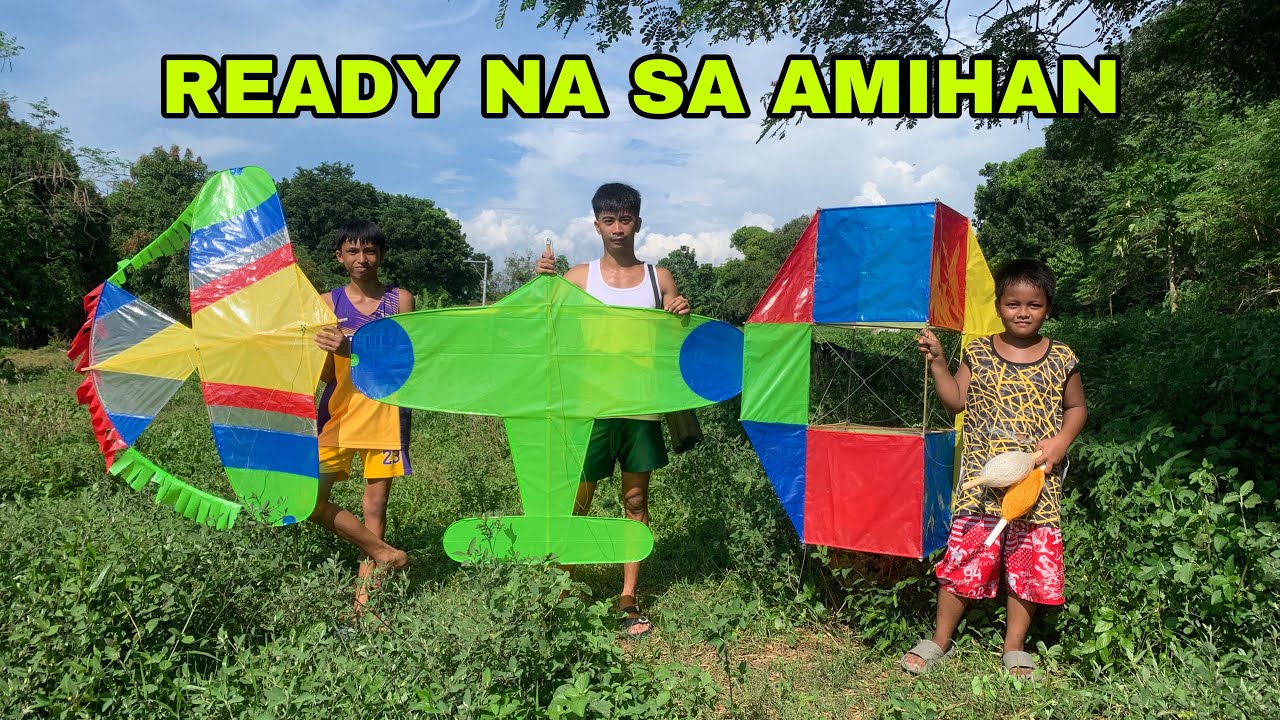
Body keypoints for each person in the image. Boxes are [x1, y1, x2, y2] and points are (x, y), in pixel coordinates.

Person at [902, 258, 1087, 678]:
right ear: (999, 305)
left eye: (1033, 304)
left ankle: (1014, 646)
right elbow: (956, 401)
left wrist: (1060, 441)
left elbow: (1076, 408)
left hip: (1035, 483)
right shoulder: (979, 351)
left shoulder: (1061, 357)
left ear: (1048, 308)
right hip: (982, 482)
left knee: (1027, 558)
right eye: (1013, 303)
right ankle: (939, 640)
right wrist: (937, 362)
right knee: (967, 552)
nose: (1022, 312)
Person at [536, 182, 690, 638]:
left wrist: (680, 312)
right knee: (576, 500)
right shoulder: (578, 278)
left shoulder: (658, 279)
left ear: (638, 223)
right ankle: (558, 587)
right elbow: (542, 324)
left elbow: (674, 344)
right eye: (609, 220)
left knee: (636, 501)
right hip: (589, 407)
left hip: (641, 406)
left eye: (626, 219)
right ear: (597, 224)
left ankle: (628, 598)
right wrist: (543, 283)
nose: (618, 229)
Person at [311, 219, 414, 616]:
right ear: (340, 257)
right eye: (353, 251)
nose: (362, 259)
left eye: (369, 251)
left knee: (375, 507)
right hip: (335, 412)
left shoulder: (400, 300)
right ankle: (384, 553)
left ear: (381, 255)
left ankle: (365, 603)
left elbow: (400, 360)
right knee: (310, 502)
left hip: (385, 413)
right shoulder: (326, 302)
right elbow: (323, 370)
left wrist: (348, 345)